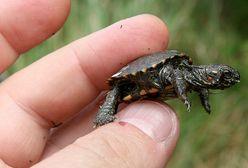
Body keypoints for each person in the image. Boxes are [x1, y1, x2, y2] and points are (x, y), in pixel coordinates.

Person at [0, 1, 179, 167]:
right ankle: (104, 115)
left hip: (154, 81)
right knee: (117, 89)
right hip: (135, 80)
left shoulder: (184, 70)